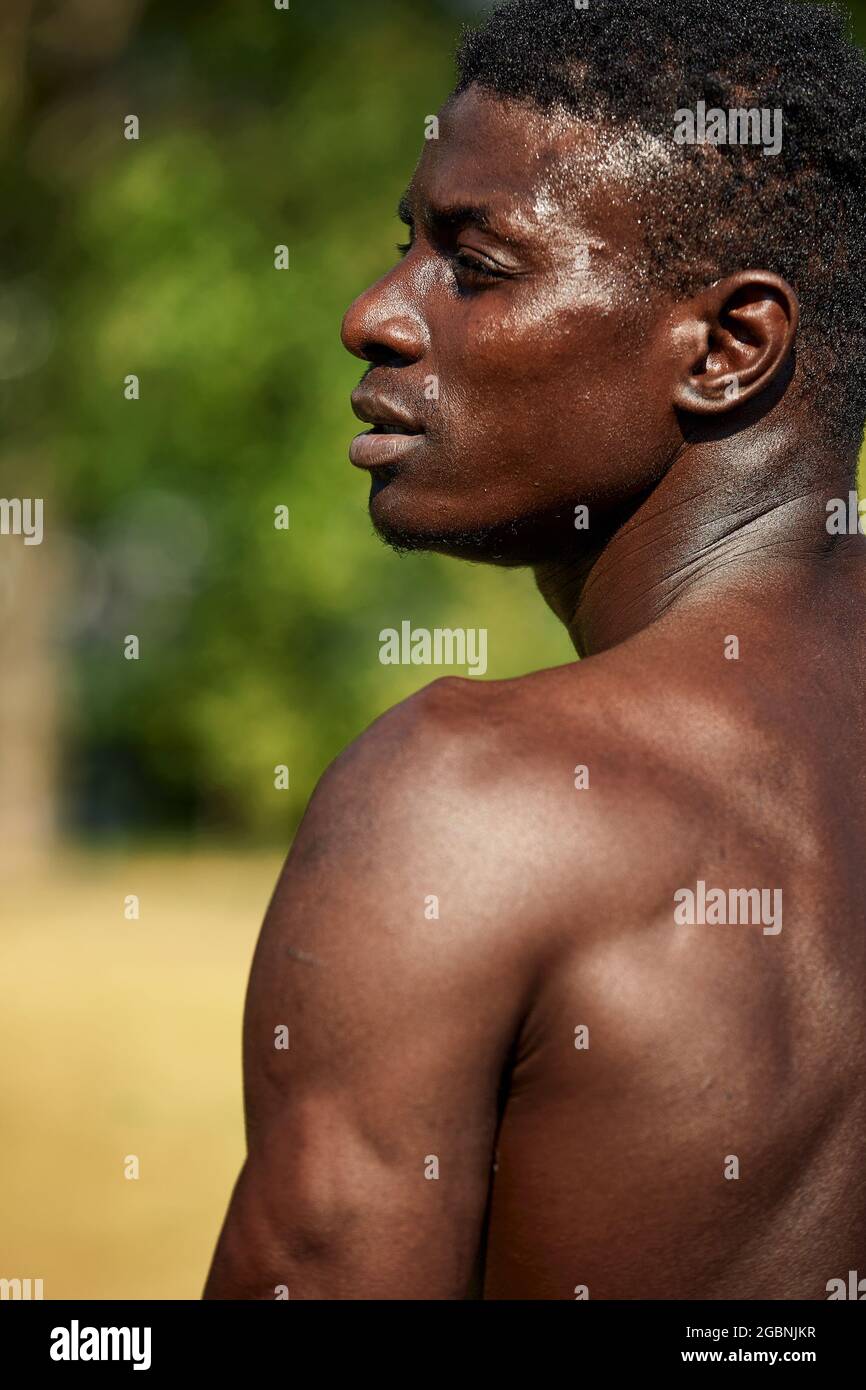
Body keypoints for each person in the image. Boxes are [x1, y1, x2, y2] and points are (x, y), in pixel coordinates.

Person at [204, 0, 866, 1299]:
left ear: (727, 346)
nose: (372, 314)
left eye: (477, 263)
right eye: (408, 245)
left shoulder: (464, 804)